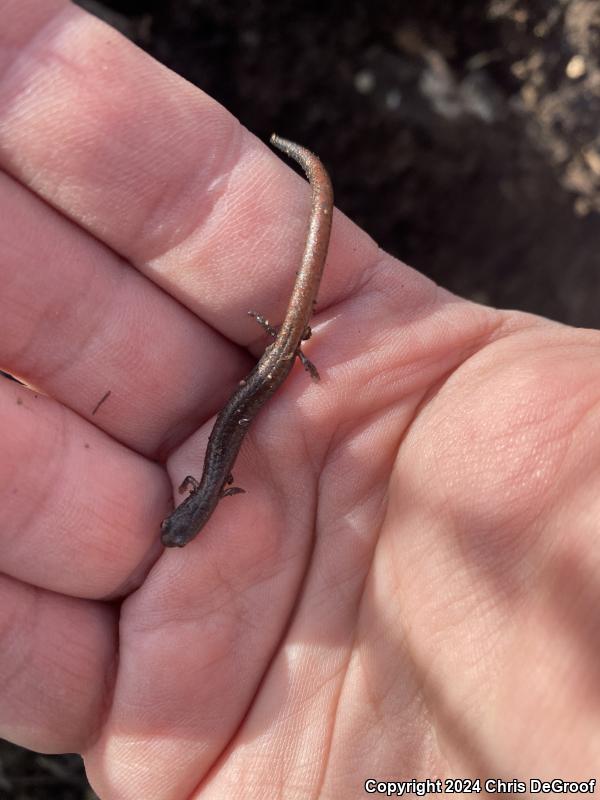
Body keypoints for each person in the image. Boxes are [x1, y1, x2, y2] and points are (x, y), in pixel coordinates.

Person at [1, 2, 598, 797]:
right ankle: (307, 203)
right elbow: (218, 471)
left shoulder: (211, 488)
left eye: (180, 525)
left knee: (267, 369)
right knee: (264, 373)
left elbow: (221, 471)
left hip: (279, 359)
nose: (177, 529)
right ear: (195, 512)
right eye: (183, 528)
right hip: (276, 359)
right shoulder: (208, 487)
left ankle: (311, 188)